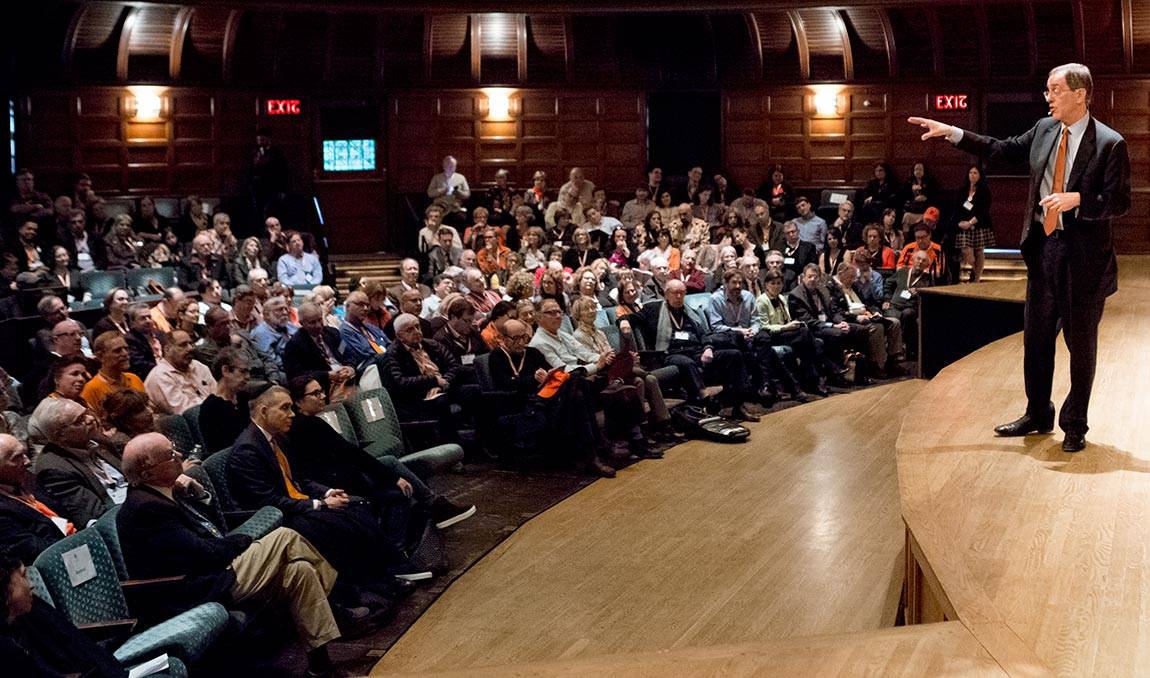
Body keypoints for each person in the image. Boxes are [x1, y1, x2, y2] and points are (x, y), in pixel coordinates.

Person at [118, 433, 356, 676]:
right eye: (170, 455)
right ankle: (341, 597)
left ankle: (320, 667)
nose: (179, 456)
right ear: (147, 474)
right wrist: (243, 540)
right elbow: (206, 552)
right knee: (284, 536)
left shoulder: (164, 492)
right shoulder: (146, 509)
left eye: (175, 449)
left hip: (215, 572)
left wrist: (197, 493)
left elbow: (209, 528)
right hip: (195, 589)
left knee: (300, 571)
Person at [227, 384, 432, 591]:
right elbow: (269, 501)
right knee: (340, 521)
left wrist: (325, 492)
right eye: (285, 408)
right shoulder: (247, 450)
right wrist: (320, 503)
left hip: (297, 504)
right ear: (264, 411)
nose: (291, 414)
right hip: (279, 517)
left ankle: (388, 571)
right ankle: (376, 580)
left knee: (355, 508)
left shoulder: (277, 438)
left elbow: (300, 479)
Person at [0, 547, 128, 677]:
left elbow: (82, 649)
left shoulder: (31, 609)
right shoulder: (6, 650)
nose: (31, 585)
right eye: (23, 576)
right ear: (5, 588)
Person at [29, 397, 127, 526]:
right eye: (80, 420)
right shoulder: (54, 470)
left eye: (86, 413)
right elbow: (96, 514)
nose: (90, 419)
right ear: (60, 435)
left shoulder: (99, 440)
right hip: (119, 519)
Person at [0, 435, 73, 565]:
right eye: (17, 458)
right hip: (61, 563)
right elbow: (38, 551)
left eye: (25, 454)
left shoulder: (28, 479)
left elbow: (67, 512)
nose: (28, 462)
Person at [143, 330, 217, 415]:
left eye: (190, 343)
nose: (190, 348)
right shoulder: (160, 377)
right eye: (183, 345)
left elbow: (218, 395)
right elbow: (185, 413)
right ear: (167, 349)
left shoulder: (199, 366)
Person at [81, 331, 146, 422]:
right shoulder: (91, 389)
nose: (125, 354)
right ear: (100, 356)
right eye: (117, 351)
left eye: (126, 349)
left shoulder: (134, 378)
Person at [953, 165, 995, 283]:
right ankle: (972, 269)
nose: (972, 175)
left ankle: (976, 278)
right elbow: (957, 208)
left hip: (979, 224)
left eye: (975, 173)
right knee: (967, 250)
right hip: (963, 225)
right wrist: (960, 222)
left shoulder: (984, 191)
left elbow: (984, 210)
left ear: (980, 176)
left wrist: (971, 222)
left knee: (979, 251)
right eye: (971, 172)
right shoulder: (962, 190)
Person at [427, 155, 471, 225]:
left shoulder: (461, 177)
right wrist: (442, 190)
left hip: (455, 208)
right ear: (444, 166)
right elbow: (430, 193)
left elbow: (467, 194)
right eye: (449, 166)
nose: (451, 168)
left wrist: (457, 192)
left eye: (453, 166)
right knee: (435, 218)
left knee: (461, 217)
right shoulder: (436, 178)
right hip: (440, 208)